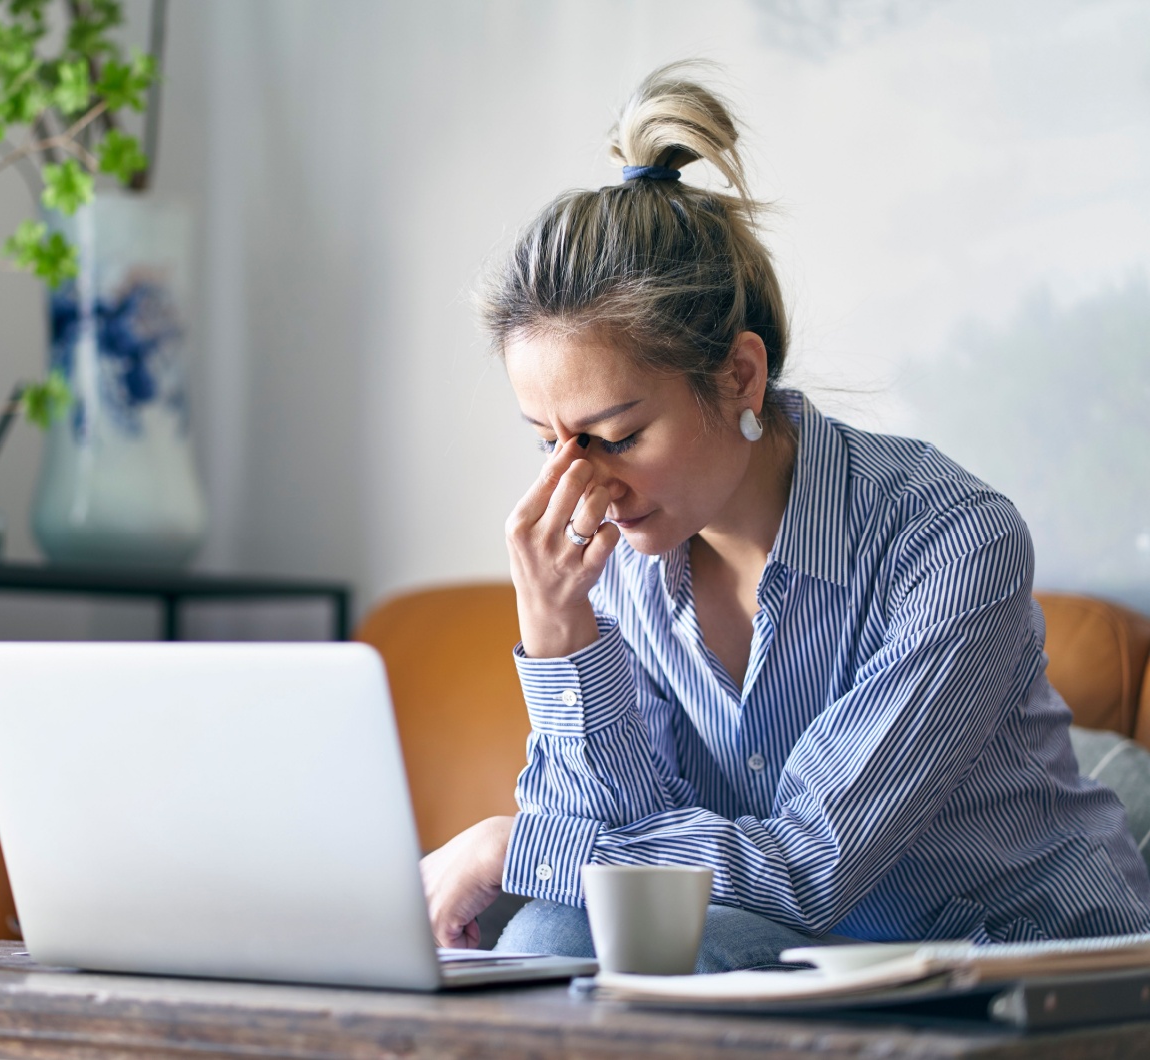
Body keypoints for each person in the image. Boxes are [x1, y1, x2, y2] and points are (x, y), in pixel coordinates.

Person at [418, 62, 1150, 973]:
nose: (581, 486)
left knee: (563, 932)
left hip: (1014, 973)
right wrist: (560, 636)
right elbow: (611, 856)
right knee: (556, 937)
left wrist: (513, 845)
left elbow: (811, 865)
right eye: (548, 442)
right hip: (804, 960)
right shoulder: (620, 563)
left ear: (740, 377)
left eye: (617, 436)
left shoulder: (953, 541)